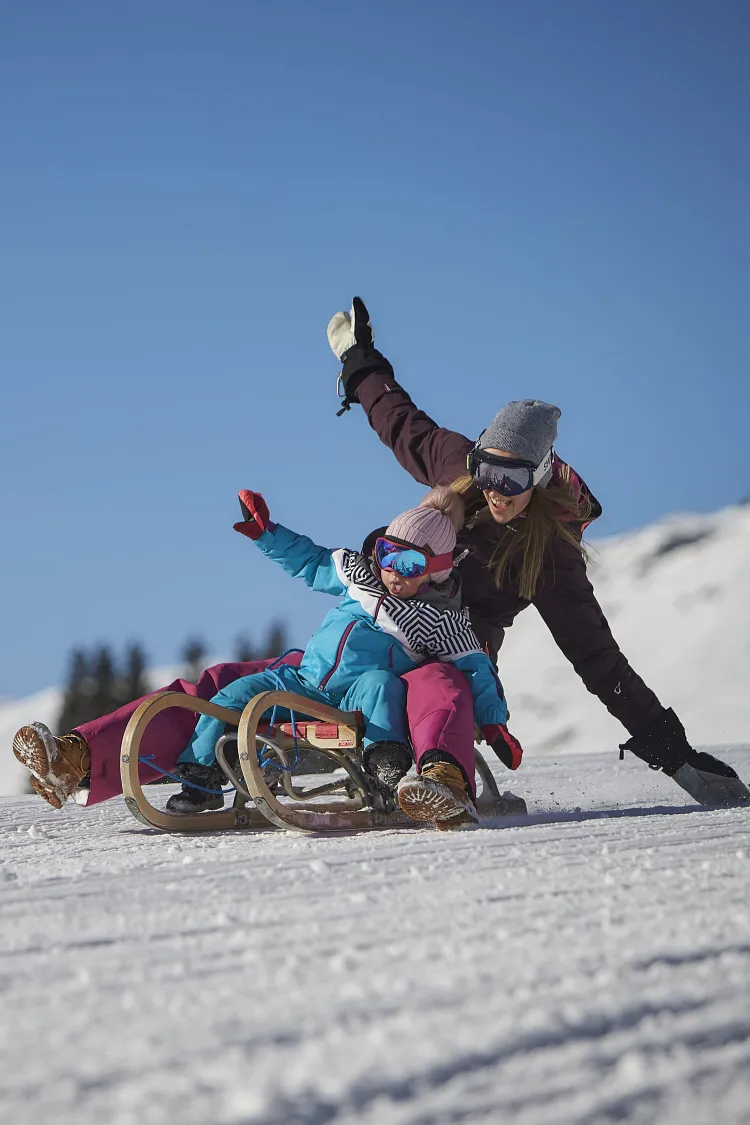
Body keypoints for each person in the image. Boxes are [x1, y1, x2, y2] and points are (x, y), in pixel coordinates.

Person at [326, 297, 749, 808]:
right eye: (487, 471)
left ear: (541, 475)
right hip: (392, 612)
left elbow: (598, 659)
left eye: (512, 478)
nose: (494, 489)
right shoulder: (456, 468)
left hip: (459, 648)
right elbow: (400, 421)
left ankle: (434, 771)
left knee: (441, 682)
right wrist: (358, 359)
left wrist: (675, 755)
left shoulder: (549, 555)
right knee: (342, 655)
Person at [14, 485, 522, 829]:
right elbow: (312, 560)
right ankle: (89, 760)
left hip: (362, 695)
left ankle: (415, 776)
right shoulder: (359, 577)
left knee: (396, 685)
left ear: (433, 570)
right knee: (222, 688)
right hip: (306, 677)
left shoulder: (442, 623)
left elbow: (473, 669)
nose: (391, 570)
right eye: (386, 553)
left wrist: (494, 723)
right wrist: (267, 534)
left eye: (407, 563)